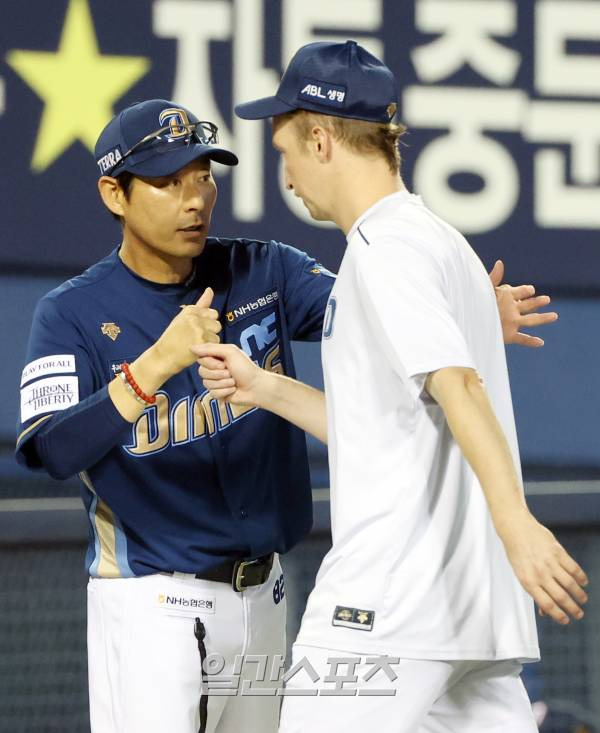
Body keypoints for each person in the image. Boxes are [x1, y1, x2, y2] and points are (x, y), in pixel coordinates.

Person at [15, 98, 555, 732]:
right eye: (167, 183)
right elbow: (50, 450)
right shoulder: (71, 311)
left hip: (265, 598)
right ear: (115, 194)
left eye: (204, 175)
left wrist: (460, 315)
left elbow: (375, 316)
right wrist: (153, 366)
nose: (195, 199)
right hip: (151, 603)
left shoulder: (262, 267)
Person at [193, 40, 589, 732]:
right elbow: (383, 421)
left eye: (285, 148)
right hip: (469, 615)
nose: (285, 173)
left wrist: (516, 520)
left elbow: (459, 384)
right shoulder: (441, 244)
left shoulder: (384, 251)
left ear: (321, 139)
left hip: (383, 604)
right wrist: (264, 387)